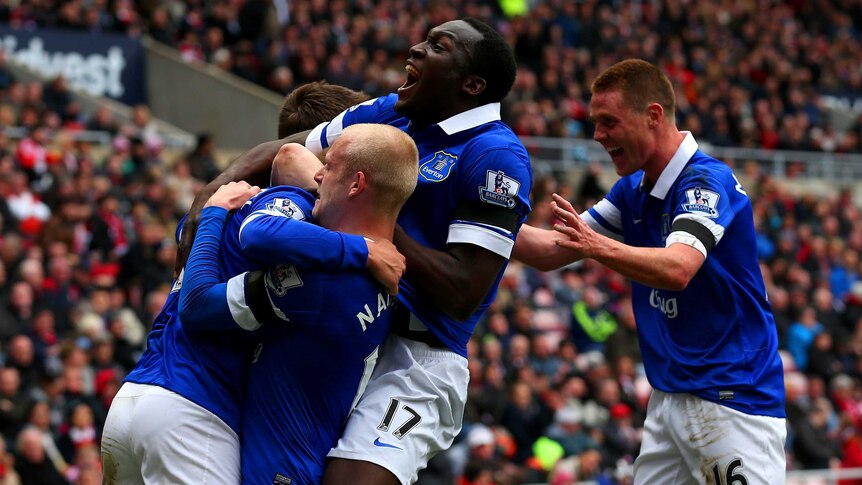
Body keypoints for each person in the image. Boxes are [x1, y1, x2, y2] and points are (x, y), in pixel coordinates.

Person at [177, 17, 531, 485]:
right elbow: (280, 149)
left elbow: (462, 290)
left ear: (472, 84)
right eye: (424, 38)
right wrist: (206, 201)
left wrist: (374, 227)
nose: (416, 48)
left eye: (438, 47)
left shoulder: (495, 157)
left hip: (416, 358)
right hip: (346, 331)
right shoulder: (392, 112)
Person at [100, 87, 401, 484]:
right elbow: (202, 300)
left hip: (134, 401)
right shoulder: (292, 216)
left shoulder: (230, 203)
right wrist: (361, 249)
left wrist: (209, 214)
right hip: (195, 411)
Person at [513, 59, 786, 483]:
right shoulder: (632, 190)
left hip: (732, 399)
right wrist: (472, 217)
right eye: (595, 122)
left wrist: (597, 246)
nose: (598, 135)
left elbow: (679, 267)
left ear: (653, 115)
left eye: (608, 122)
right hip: (669, 398)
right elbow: (550, 251)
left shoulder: (705, 182)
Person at [178, 124, 418, 484]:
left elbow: (197, 304)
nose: (318, 175)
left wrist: (212, 213)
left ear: (356, 185)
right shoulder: (386, 276)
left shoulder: (324, 279)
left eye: (330, 167)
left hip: (276, 472)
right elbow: (291, 158)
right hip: (305, 461)